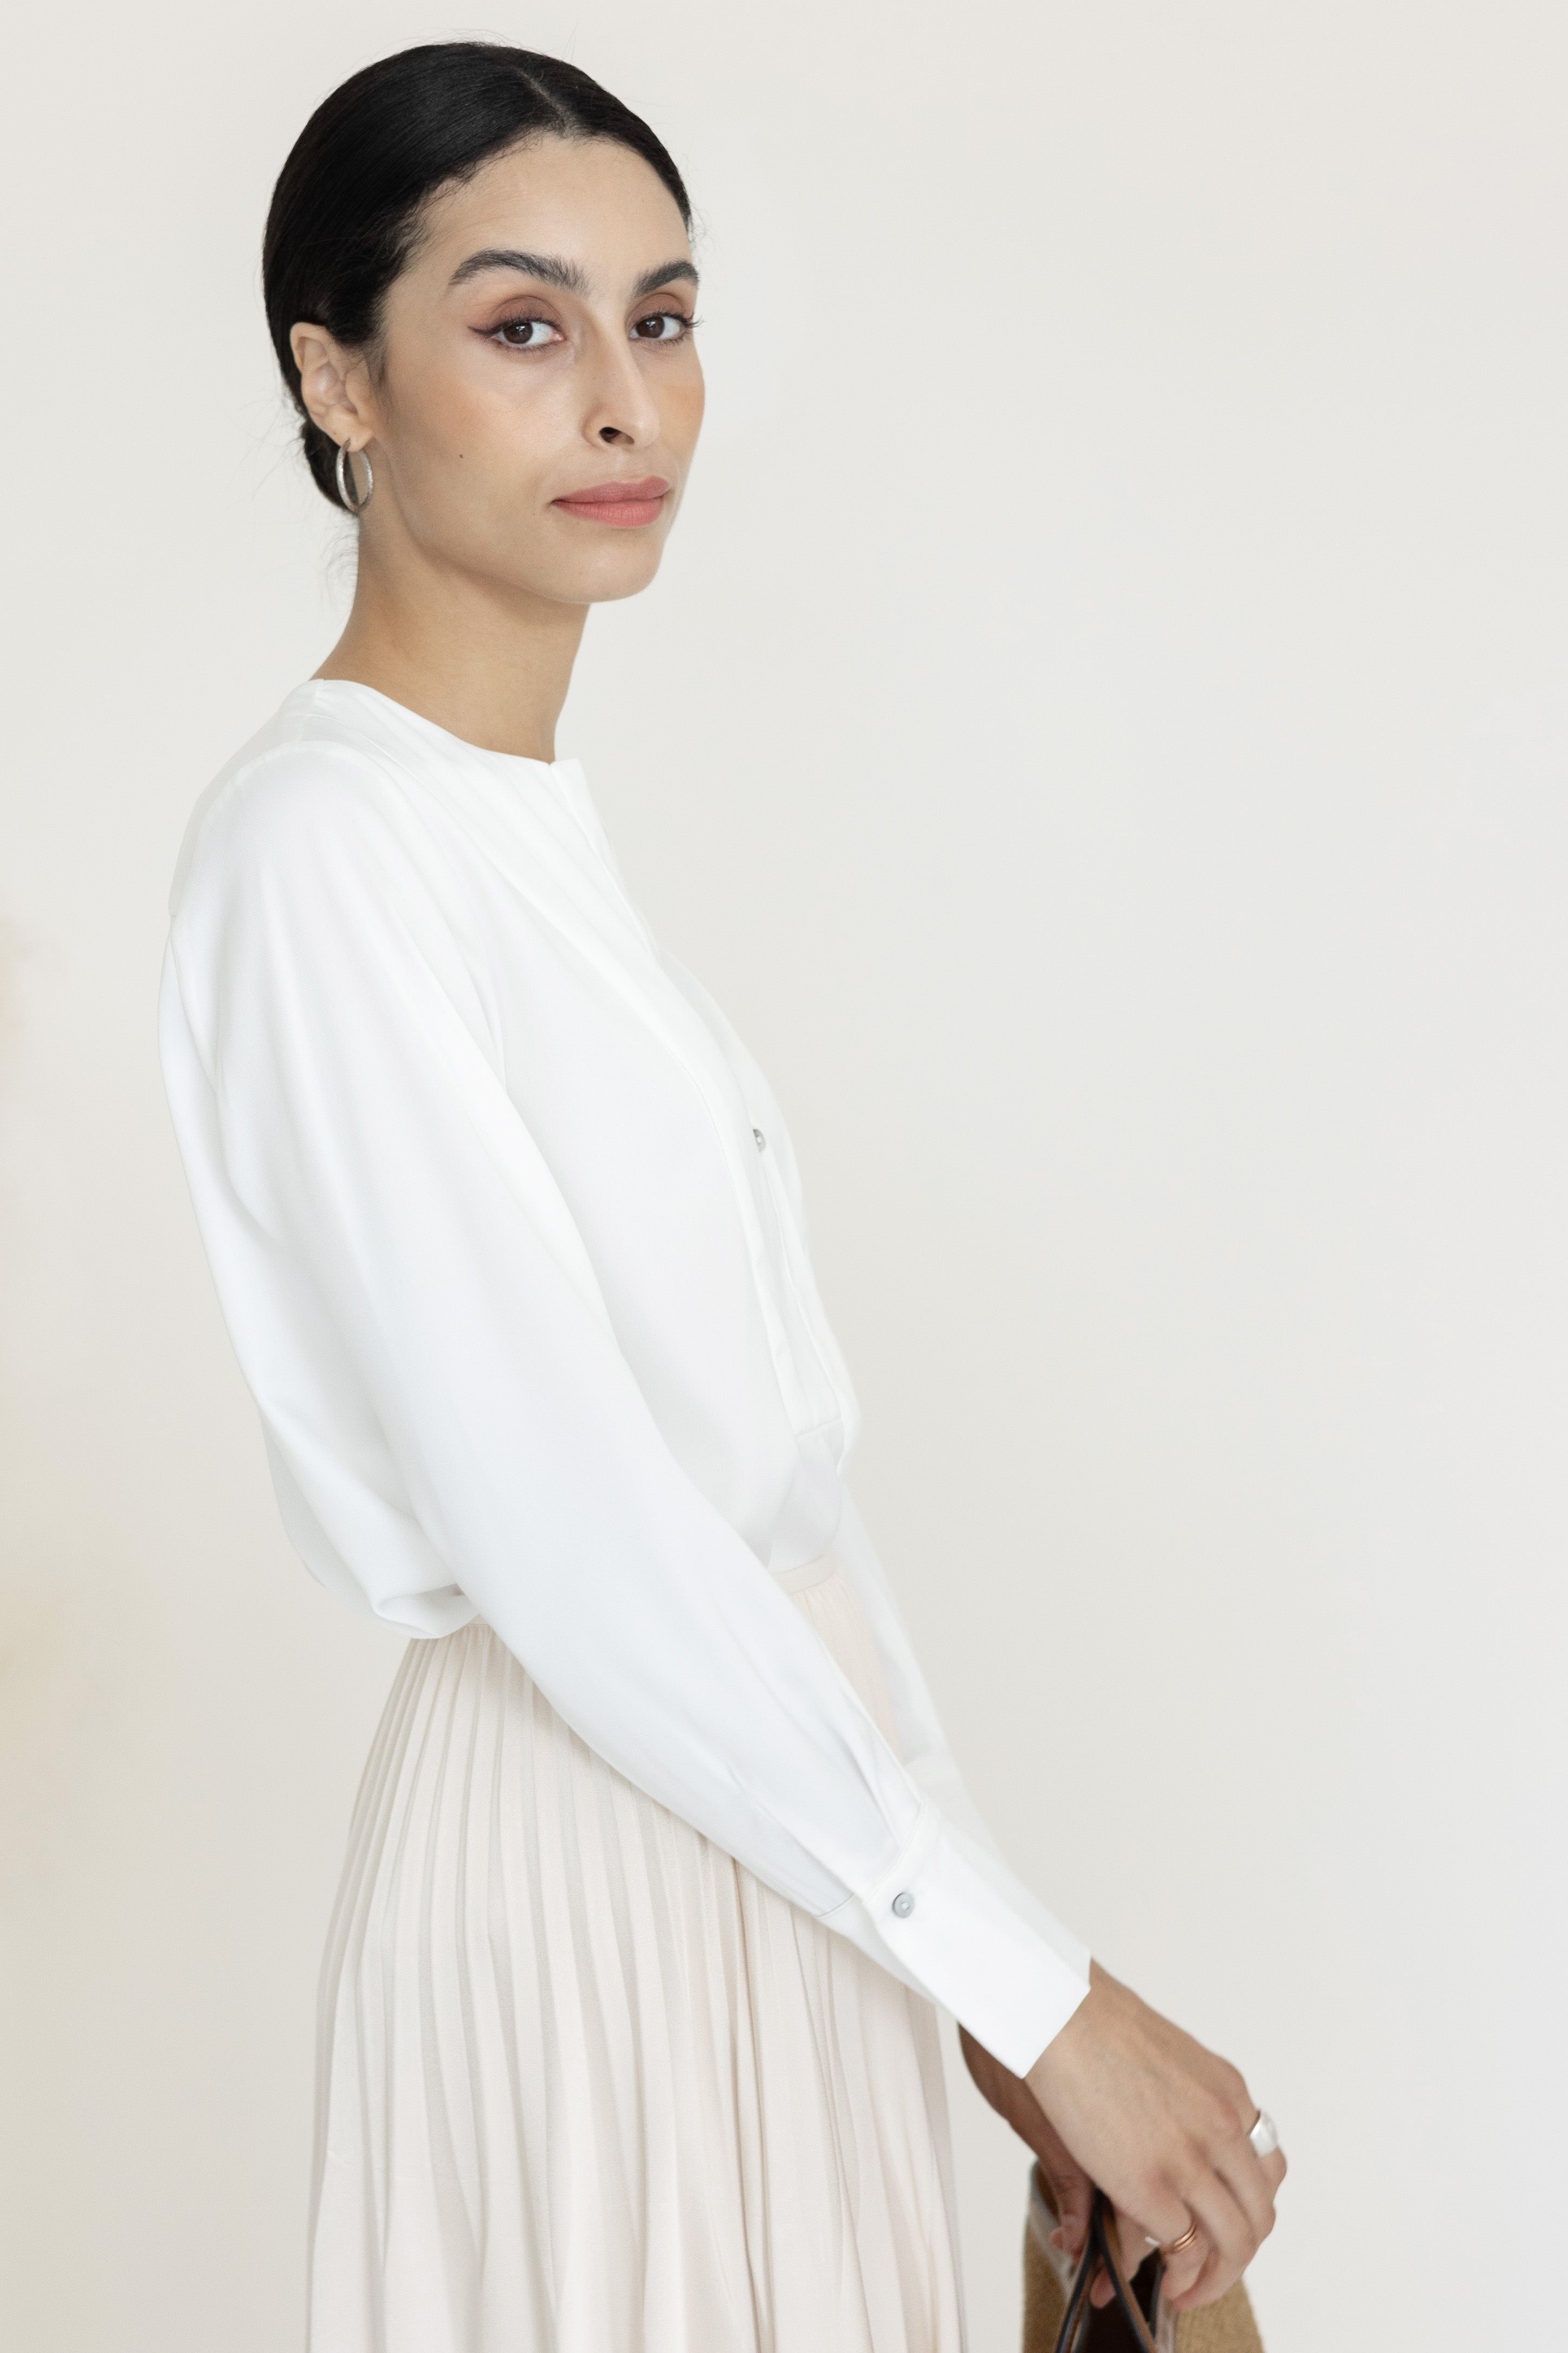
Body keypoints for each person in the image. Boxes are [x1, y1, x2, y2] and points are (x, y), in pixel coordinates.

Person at [158, 42, 1285, 2352]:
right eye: (522, 323)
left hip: (774, 1856)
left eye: (661, 319)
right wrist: (1030, 1986)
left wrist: (994, 1986)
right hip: (589, 1866)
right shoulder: (325, 849)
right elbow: (577, 1530)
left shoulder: (520, 844)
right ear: (334, 378)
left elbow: (782, 1517)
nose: (622, 398)